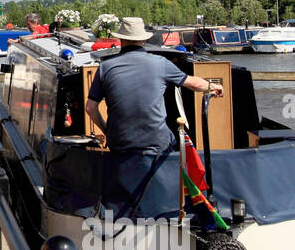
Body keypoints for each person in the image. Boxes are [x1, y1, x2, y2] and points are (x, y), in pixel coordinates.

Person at [83, 17, 222, 154]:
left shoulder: (105, 67)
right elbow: (194, 84)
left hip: (120, 144)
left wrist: (107, 131)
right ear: (144, 39)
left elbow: (90, 108)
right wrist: (213, 87)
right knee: (176, 141)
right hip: (156, 143)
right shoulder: (161, 63)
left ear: (121, 39)